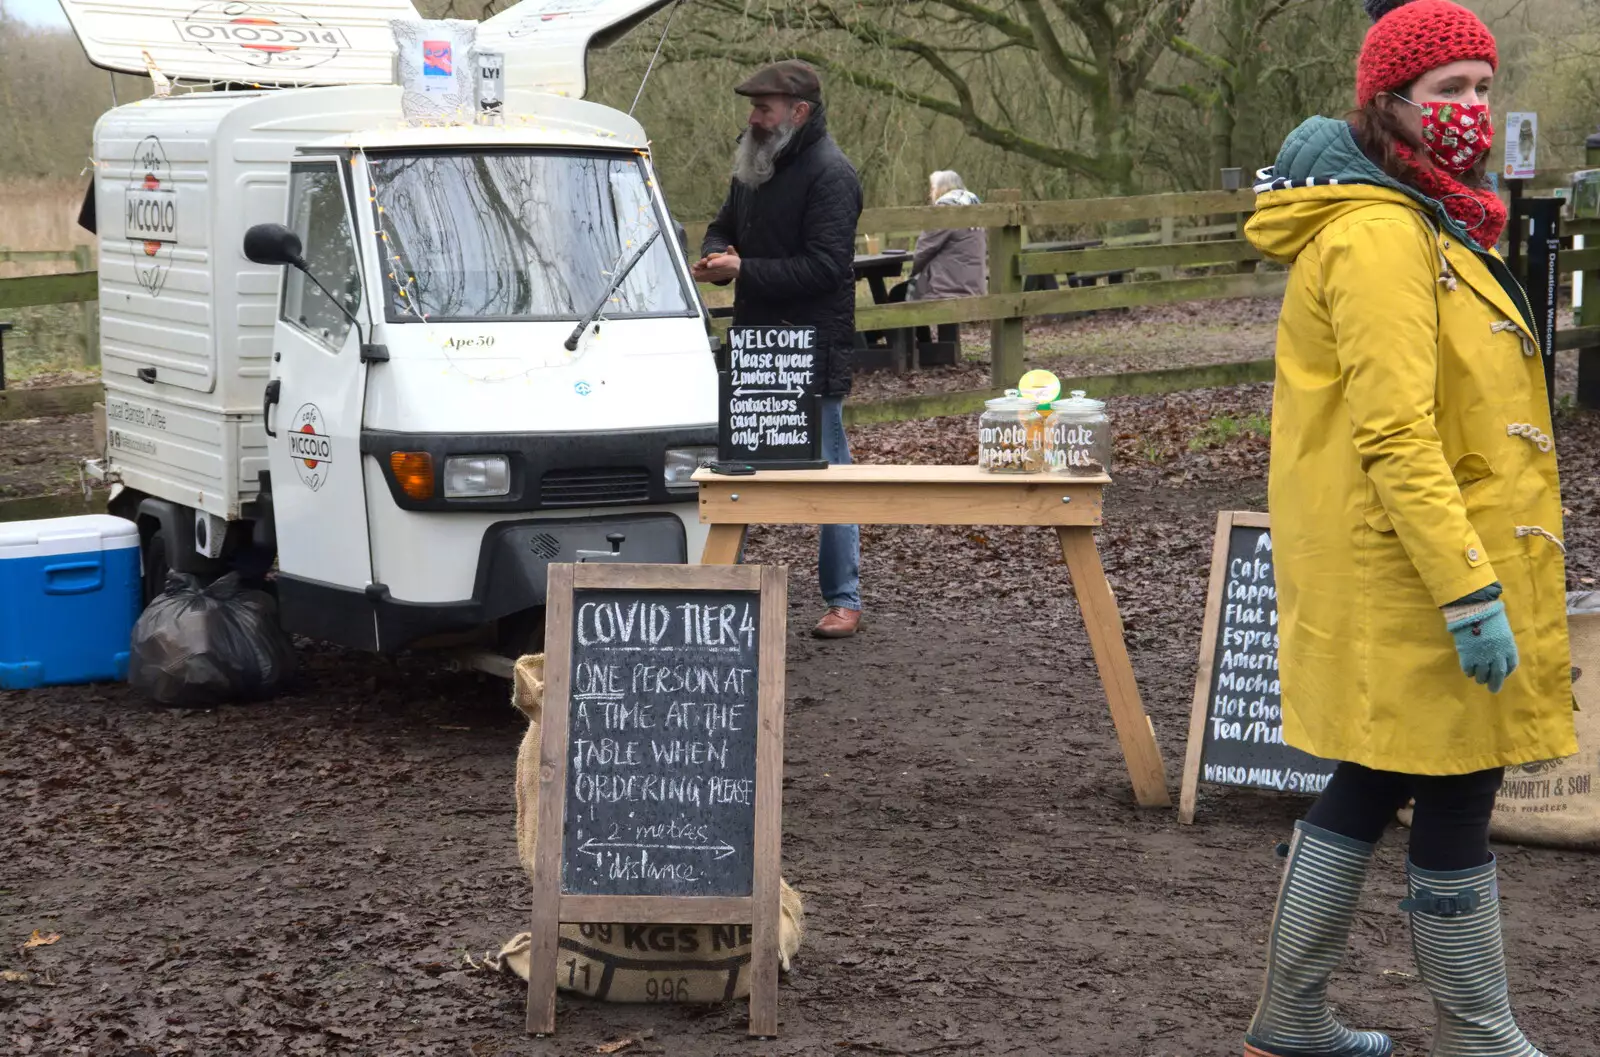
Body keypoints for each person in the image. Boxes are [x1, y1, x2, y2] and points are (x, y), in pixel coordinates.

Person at [1239, 2, 1575, 1056]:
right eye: (1448, 92)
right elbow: (1395, 434)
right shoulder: (1384, 235)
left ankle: (1291, 1015)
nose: (1472, 110)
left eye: (1482, 87)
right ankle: (1478, 1032)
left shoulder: (1420, 218)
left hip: (1425, 560)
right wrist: (1469, 591)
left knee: (1381, 772)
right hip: (1425, 569)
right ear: (1389, 105)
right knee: (1455, 782)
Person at [691, 60, 865, 640]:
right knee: (737, 467)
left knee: (832, 477)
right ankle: (716, 586)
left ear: (799, 112)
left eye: (764, 107)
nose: (753, 116)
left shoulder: (831, 174)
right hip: (756, 345)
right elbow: (722, 226)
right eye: (753, 106)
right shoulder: (754, 162)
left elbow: (826, 268)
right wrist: (719, 258)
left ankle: (845, 598)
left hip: (811, 350)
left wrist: (745, 268)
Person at [878, 171, 987, 347]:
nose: (931, 193)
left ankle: (914, 348)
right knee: (909, 290)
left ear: (943, 188)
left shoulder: (944, 211)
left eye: (933, 187)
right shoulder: (974, 208)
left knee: (900, 293)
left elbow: (923, 251)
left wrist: (913, 273)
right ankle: (924, 345)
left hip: (950, 286)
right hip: (973, 284)